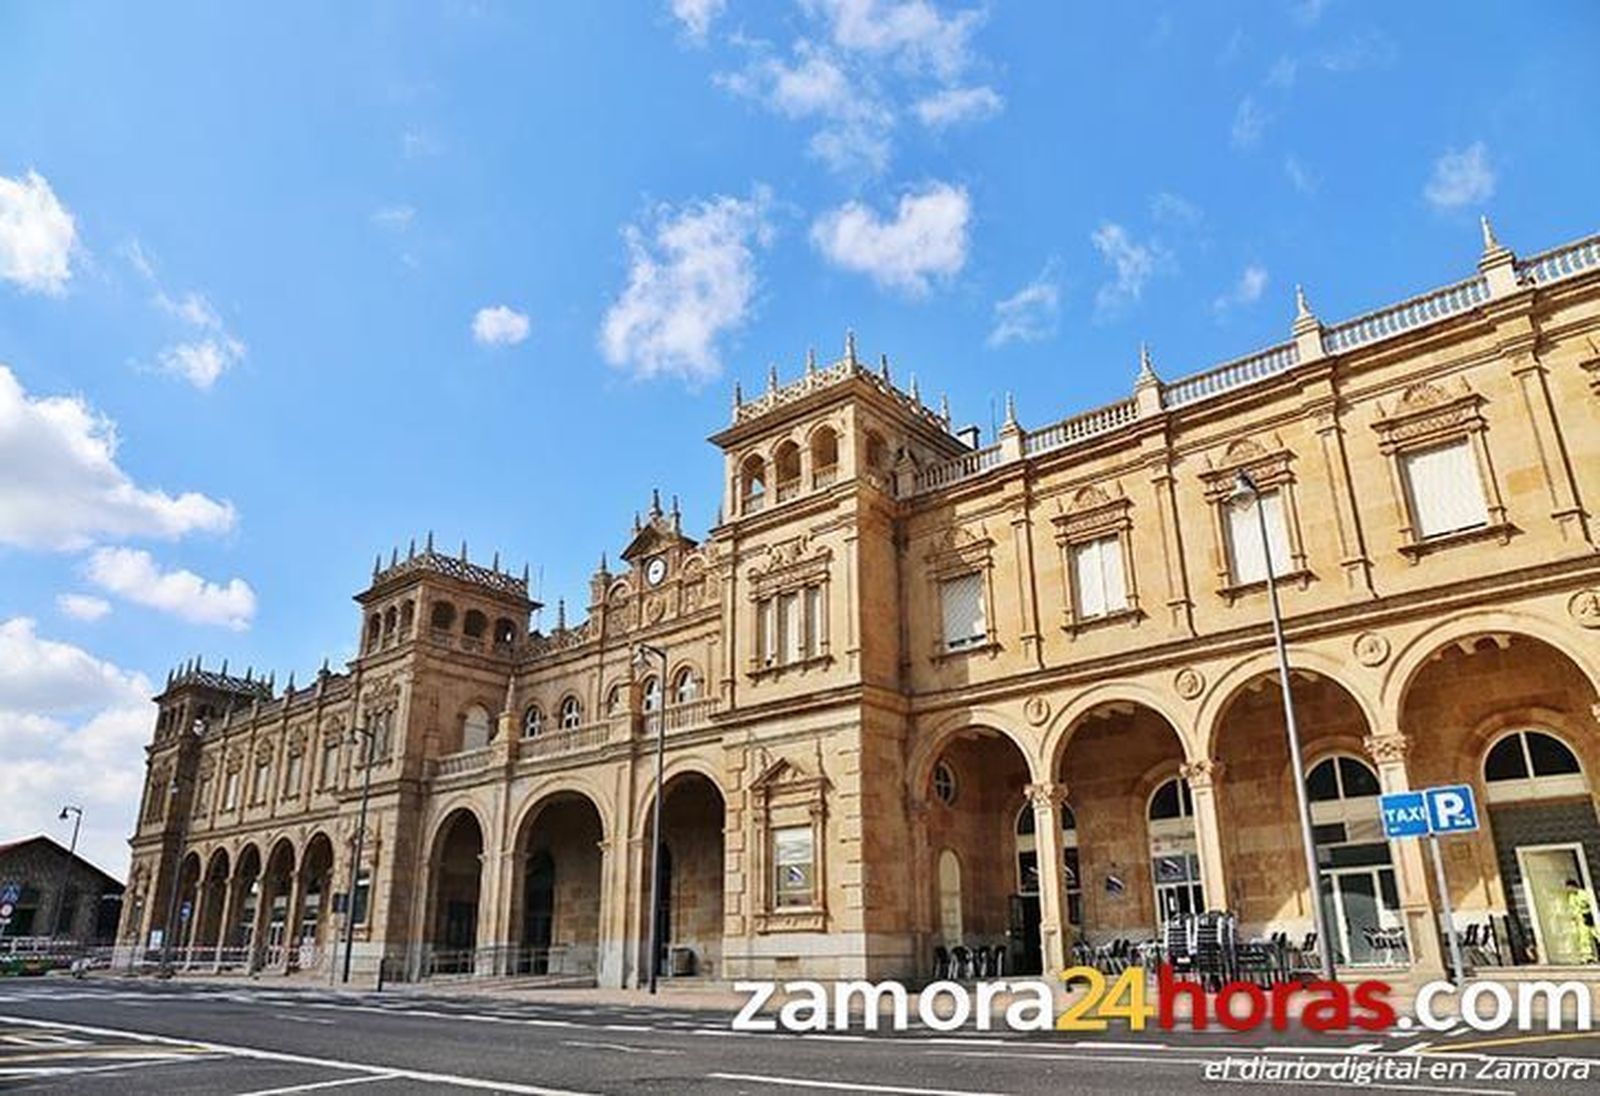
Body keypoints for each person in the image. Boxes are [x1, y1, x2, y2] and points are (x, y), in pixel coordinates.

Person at [1563, 879, 1599, 963]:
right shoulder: (1571, 897)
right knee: (1584, 939)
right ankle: (1588, 956)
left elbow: (1591, 905)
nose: (1568, 890)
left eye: (1569, 887)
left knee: (1597, 933)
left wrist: (1590, 914)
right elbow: (1573, 908)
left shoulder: (1583, 894)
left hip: (1589, 917)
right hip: (1580, 920)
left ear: (1573, 886)